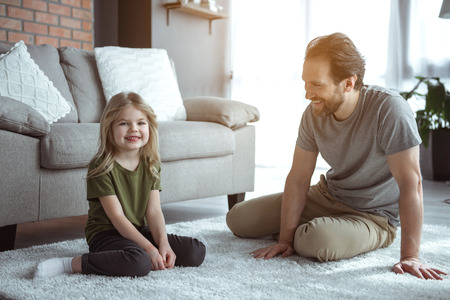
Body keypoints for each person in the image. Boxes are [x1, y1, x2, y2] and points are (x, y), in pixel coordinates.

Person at [226, 32, 447, 280]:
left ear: (348, 83)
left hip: (373, 216)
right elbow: (298, 178)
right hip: (328, 196)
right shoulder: (313, 112)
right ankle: (321, 229)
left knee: (314, 240)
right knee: (238, 219)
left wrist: (410, 256)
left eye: (317, 85)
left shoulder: (390, 110)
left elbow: (411, 184)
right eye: (305, 83)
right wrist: (285, 239)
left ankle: (338, 232)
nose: (308, 94)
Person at [34, 92, 206, 279]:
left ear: (150, 127)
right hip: (106, 234)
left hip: (137, 229)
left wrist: (163, 243)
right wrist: (149, 247)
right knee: (139, 262)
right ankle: (72, 263)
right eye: (124, 123)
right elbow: (117, 217)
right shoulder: (101, 166)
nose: (134, 129)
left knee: (195, 251)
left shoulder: (151, 164)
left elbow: (154, 211)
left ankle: (138, 250)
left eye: (141, 123)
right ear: (110, 129)